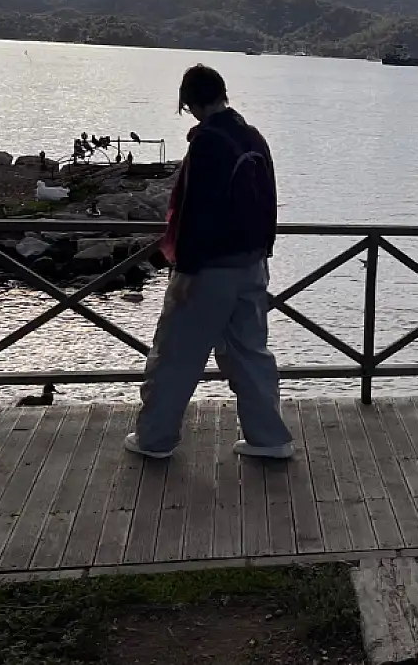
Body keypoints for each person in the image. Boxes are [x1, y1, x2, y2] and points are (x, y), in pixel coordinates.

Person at [125, 65, 294, 460]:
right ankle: (270, 438)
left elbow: (194, 211)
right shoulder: (253, 136)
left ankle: (155, 439)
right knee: (250, 353)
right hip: (252, 264)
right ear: (224, 93)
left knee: (175, 354)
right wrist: (264, 253)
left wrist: (184, 269)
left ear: (189, 101)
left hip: (209, 269)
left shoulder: (207, 142)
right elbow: (269, 200)